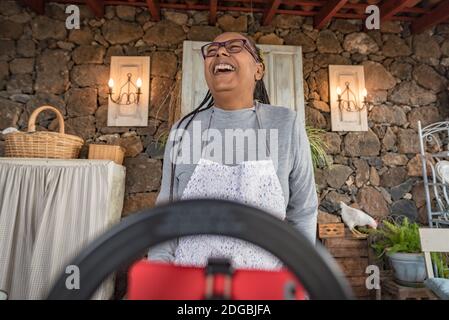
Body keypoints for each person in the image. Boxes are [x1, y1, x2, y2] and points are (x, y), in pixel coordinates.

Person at [147, 32, 318, 271]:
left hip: (265, 287)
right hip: (190, 286)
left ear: (258, 70)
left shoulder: (285, 124)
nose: (220, 52)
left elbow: (303, 212)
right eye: (212, 49)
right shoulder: (183, 130)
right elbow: (166, 219)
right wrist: (159, 280)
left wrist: (296, 279)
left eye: (235, 46)